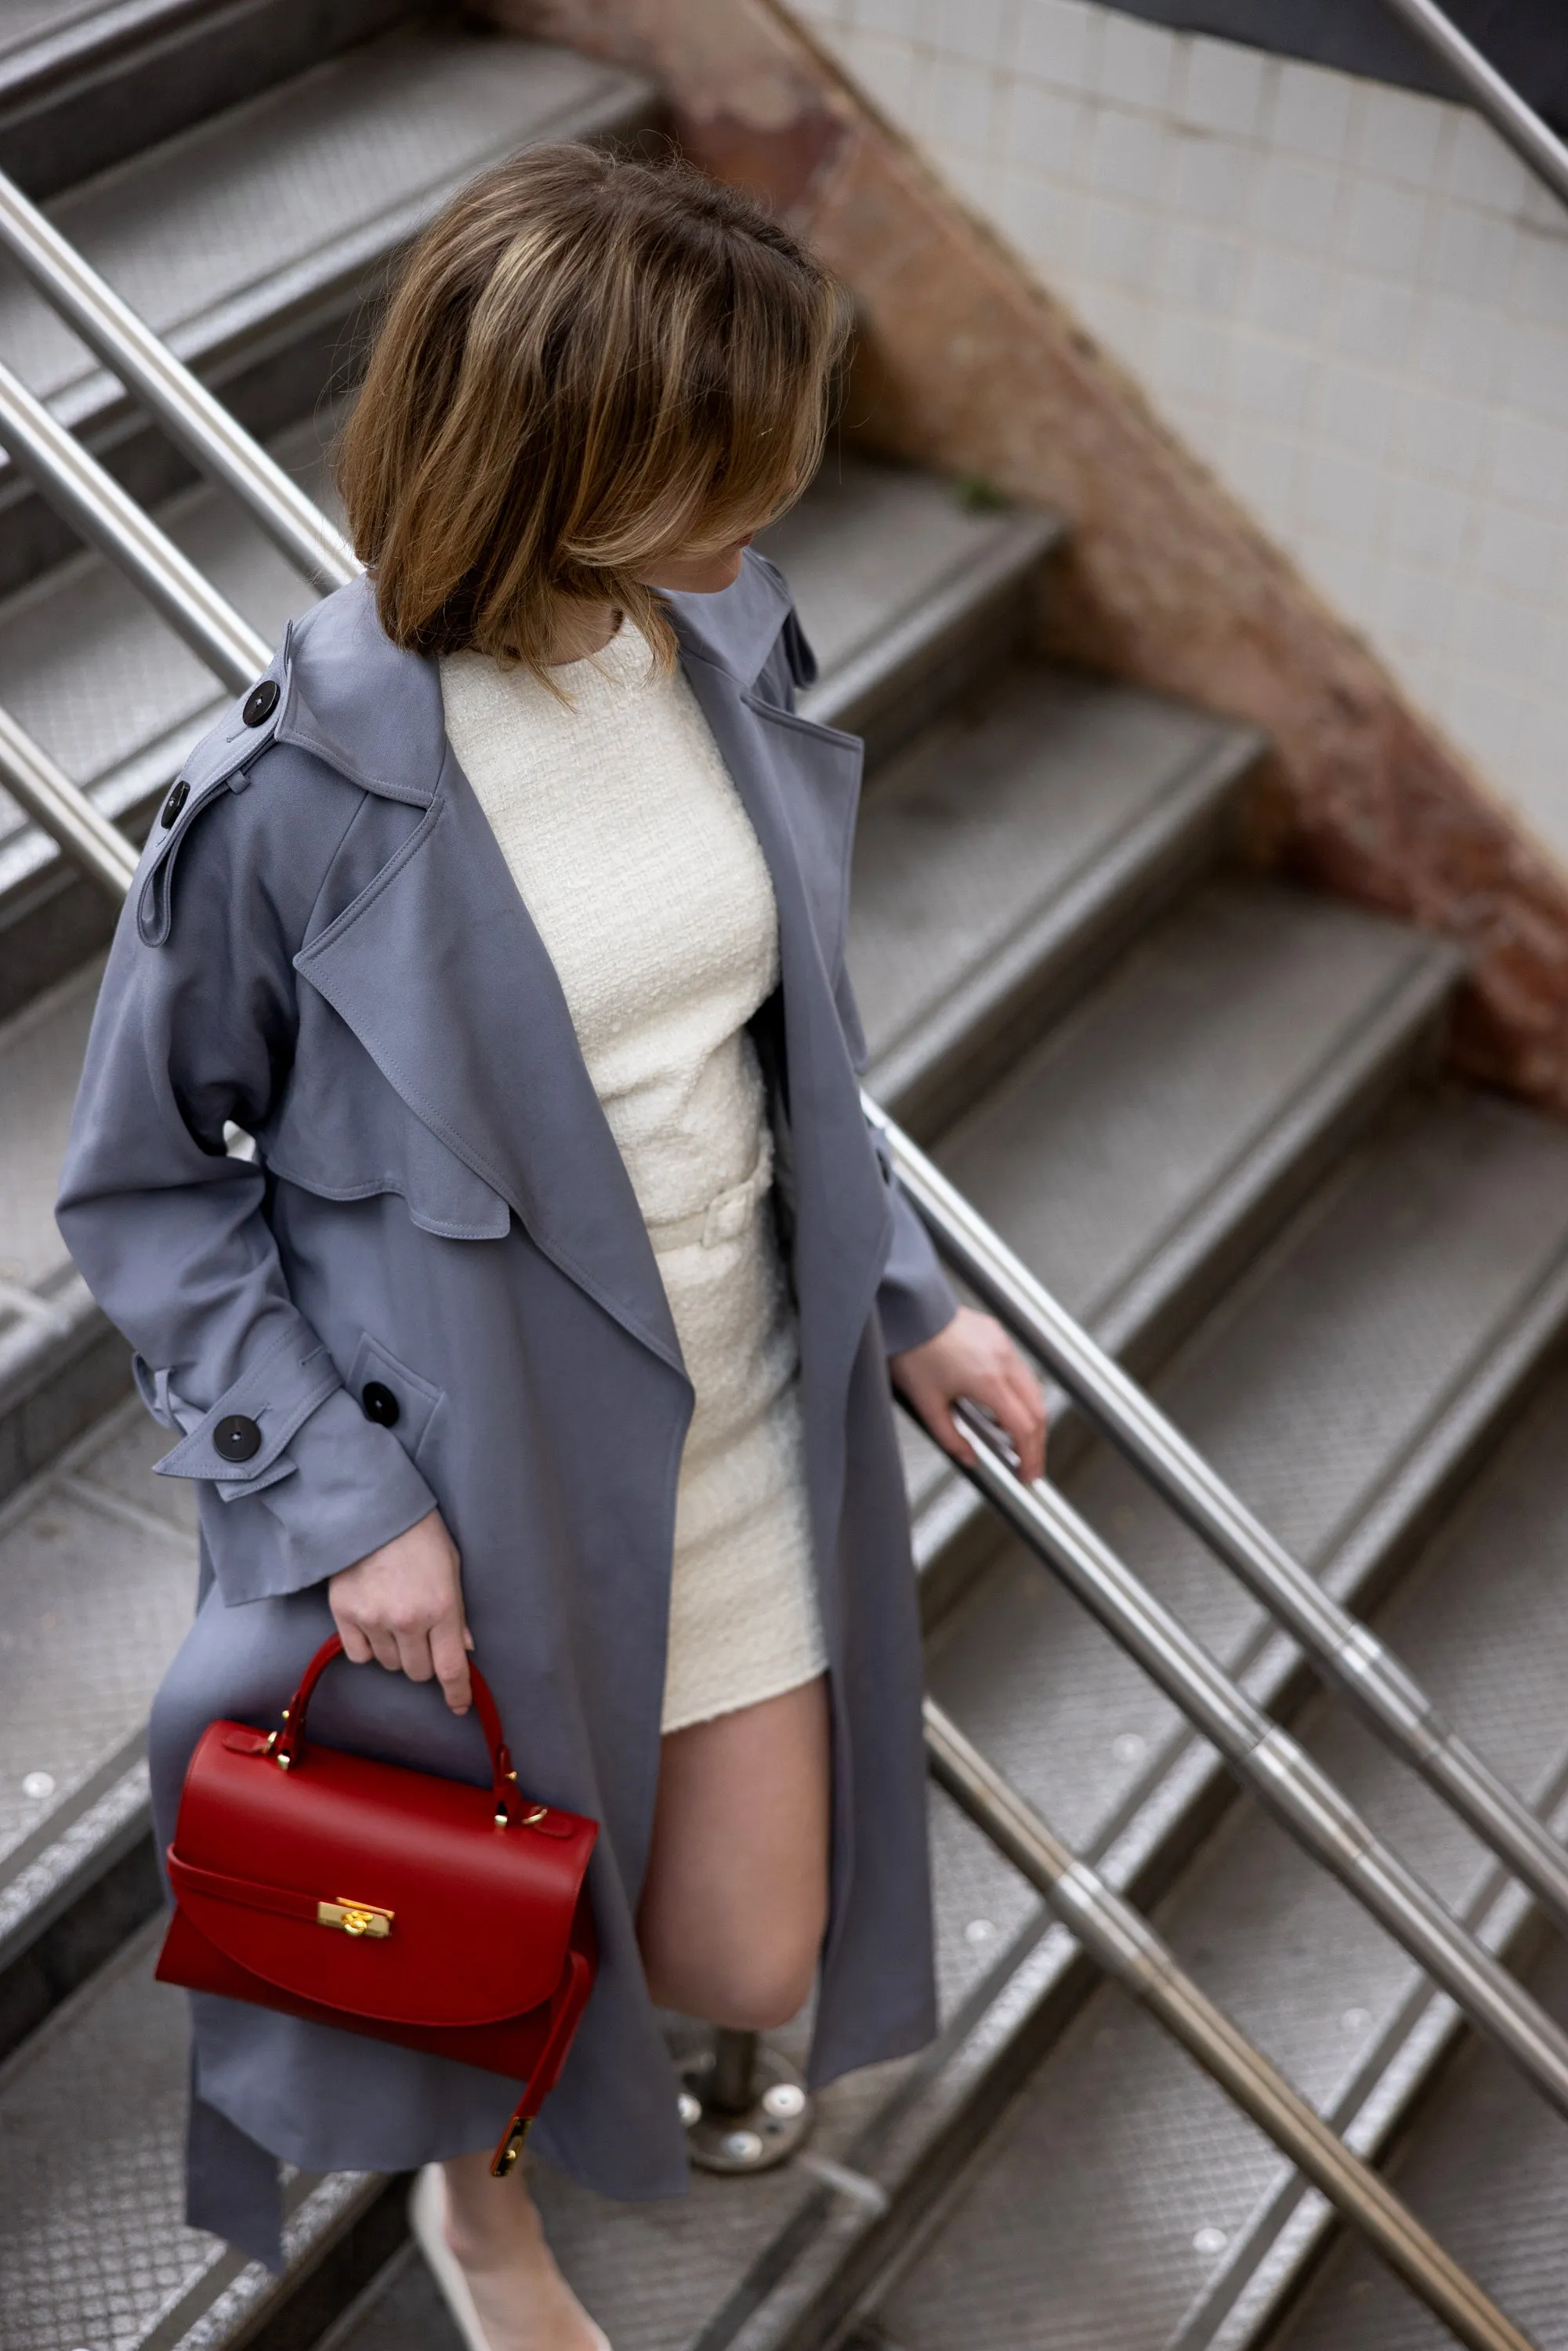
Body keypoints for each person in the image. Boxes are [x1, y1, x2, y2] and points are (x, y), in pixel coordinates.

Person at [56, 145, 1046, 2351]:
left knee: (738, 1952)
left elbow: (783, 1052)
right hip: (476, 1463)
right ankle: (480, 2228)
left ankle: (588, 2106)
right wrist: (348, 1501)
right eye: (718, 467)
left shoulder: (721, 631)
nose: (765, 510)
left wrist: (910, 1300)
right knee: (487, 1920)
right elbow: (147, 1185)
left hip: (741, 1408)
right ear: (568, 466)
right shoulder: (303, 794)